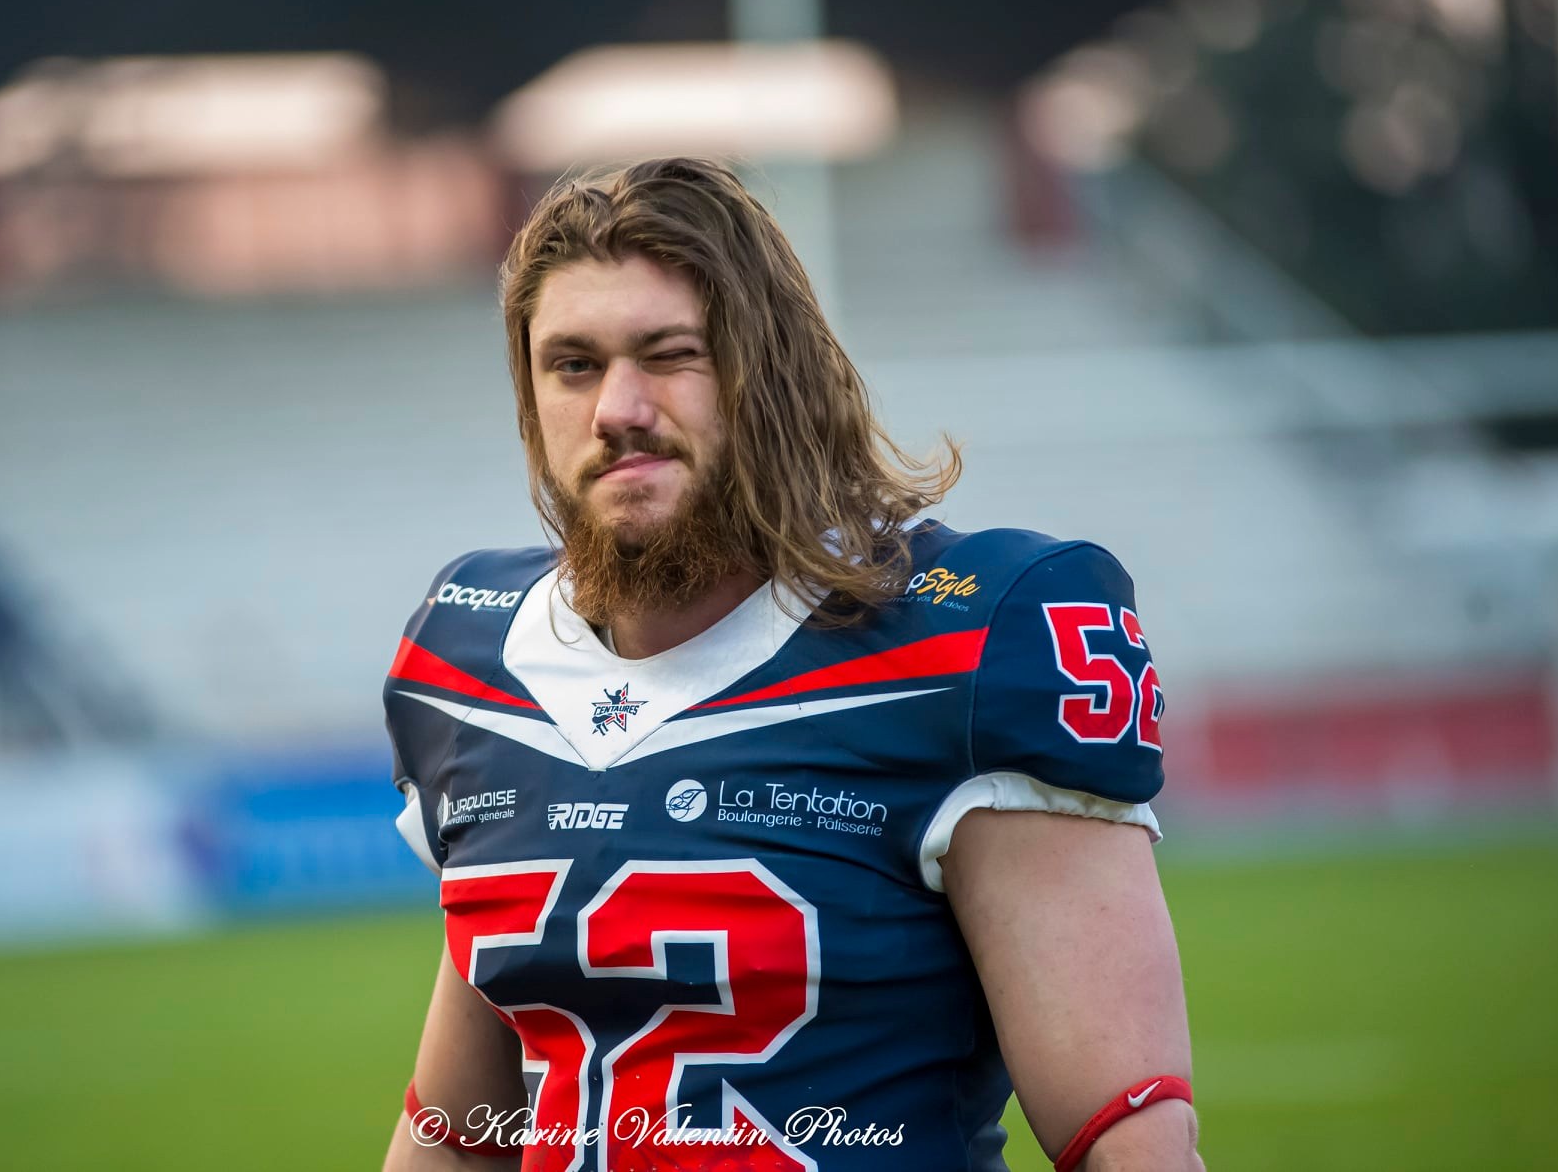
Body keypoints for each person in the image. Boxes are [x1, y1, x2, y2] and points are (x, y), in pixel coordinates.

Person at [382, 158, 1201, 1172]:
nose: (618, 408)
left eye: (670, 355)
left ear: (771, 374)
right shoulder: (473, 663)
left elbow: (1125, 1135)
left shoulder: (966, 643)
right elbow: (459, 1136)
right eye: (574, 365)